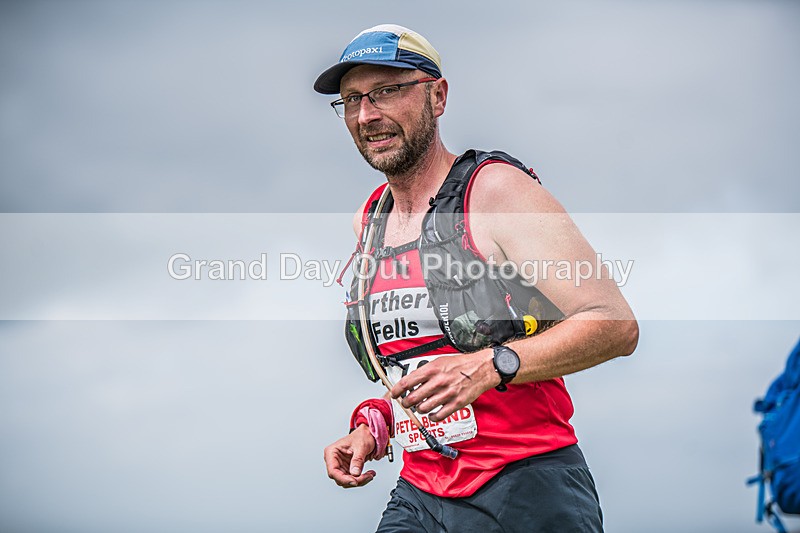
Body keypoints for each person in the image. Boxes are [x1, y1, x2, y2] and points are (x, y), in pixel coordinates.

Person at [315, 24, 639, 533]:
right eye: (352, 99)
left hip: (526, 485)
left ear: (437, 96)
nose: (366, 114)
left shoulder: (495, 193)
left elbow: (615, 325)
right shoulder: (370, 219)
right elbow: (418, 362)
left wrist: (491, 365)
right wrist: (374, 426)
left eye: (386, 91)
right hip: (421, 492)